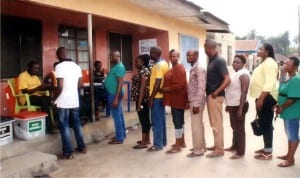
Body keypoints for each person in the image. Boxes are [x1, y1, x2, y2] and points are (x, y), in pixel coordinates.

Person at [54, 47, 86, 160]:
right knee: (77, 123)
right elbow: (81, 84)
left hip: (63, 101)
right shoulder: (76, 66)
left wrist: (54, 99)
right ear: (67, 53)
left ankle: (68, 153)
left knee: (64, 126)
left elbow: (60, 86)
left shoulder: (59, 66)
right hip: (74, 100)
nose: (57, 57)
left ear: (60, 55)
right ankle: (82, 147)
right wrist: (72, 89)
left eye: (57, 55)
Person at [249, 42, 278, 160]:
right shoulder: (265, 62)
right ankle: (267, 148)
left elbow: (270, 82)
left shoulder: (270, 63)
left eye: (260, 49)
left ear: (267, 52)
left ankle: (268, 153)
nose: (258, 51)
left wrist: (261, 99)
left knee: (266, 125)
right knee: (265, 124)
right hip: (263, 96)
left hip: (266, 97)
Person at [205, 39, 231, 158]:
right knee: (214, 123)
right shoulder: (212, 60)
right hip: (211, 96)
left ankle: (219, 150)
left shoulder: (219, 61)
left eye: (206, 48)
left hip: (216, 97)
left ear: (211, 48)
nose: (205, 51)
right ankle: (217, 145)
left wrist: (216, 92)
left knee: (217, 123)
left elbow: (227, 79)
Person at [18, 60, 57, 134]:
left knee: (53, 100)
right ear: (29, 68)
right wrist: (39, 88)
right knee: (44, 101)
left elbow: (41, 88)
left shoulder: (35, 77)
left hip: (37, 97)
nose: (37, 70)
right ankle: (48, 127)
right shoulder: (22, 76)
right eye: (35, 68)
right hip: (26, 98)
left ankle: (53, 124)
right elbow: (25, 92)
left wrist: (49, 87)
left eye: (38, 68)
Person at [161, 49, 188, 154]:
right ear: (169, 57)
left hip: (178, 99)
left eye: (175, 56)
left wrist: (167, 89)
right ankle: (182, 142)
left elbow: (180, 85)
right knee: (180, 121)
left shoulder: (179, 68)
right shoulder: (174, 68)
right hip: (175, 99)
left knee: (177, 122)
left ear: (179, 57)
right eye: (172, 56)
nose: (173, 58)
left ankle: (178, 145)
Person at [275, 56, 300, 167]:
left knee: (293, 136)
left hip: (292, 112)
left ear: (295, 67)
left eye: (288, 64)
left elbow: (293, 98)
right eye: (285, 63)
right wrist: (278, 104)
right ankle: (289, 155)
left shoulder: (296, 79)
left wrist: (282, 107)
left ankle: (290, 160)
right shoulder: (288, 77)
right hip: (287, 112)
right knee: (289, 134)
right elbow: (284, 93)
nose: (285, 65)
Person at [224, 54, 250, 159]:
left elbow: (244, 92)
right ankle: (234, 146)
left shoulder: (244, 74)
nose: (235, 63)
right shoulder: (235, 73)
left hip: (239, 106)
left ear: (243, 64)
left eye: (237, 62)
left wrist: (240, 109)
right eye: (234, 62)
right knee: (234, 127)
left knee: (239, 129)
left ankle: (240, 152)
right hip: (232, 105)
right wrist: (228, 105)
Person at [147, 46, 169, 152]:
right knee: (162, 120)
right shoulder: (164, 63)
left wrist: (151, 98)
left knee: (156, 122)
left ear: (155, 54)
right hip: (161, 97)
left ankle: (157, 144)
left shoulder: (159, 66)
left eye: (151, 53)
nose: (149, 55)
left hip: (156, 97)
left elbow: (158, 82)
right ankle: (163, 141)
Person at [186, 50, 207, 158]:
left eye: (191, 55)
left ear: (197, 56)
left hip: (196, 101)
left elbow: (201, 87)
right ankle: (202, 146)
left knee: (196, 126)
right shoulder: (194, 68)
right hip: (193, 100)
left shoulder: (199, 69)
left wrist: (197, 104)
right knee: (199, 124)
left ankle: (198, 150)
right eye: (187, 55)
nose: (188, 57)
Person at [105, 51, 126, 144]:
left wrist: (116, 98)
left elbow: (120, 83)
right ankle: (122, 134)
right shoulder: (117, 66)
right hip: (114, 93)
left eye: (112, 56)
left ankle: (119, 138)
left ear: (117, 56)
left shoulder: (119, 67)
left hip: (114, 94)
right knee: (119, 114)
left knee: (116, 116)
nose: (110, 58)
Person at [131, 54, 151, 149]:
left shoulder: (144, 71)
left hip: (142, 100)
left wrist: (139, 103)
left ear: (142, 62)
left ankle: (144, 142)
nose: (135, 63)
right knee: (145, 119)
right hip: (141, 99)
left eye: (137, 61)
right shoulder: (143, 70)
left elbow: (142, 88)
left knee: (144, 120)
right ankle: (147, 139)